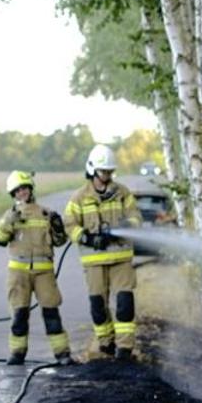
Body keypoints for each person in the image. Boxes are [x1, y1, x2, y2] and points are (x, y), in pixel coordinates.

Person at [65, 144, 143, 360]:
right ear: (92, 170)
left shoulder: (123, 193)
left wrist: (123, 228)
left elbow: (136, 217)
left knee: (125, 303)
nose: (107, 176)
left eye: (109, 172)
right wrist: (88, 237)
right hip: (94, 261)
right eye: (103, 172)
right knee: (98, 305)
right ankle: (106, 343)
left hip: (121, 258)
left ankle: (125, 347)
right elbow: (69, 225)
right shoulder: (79, 197)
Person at [0, 171, 72, 365]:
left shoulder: (46, 213)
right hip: (18, 274)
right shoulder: (10, 215)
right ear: (13, 194)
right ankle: (17, 353)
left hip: (44, 272)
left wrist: (58, 227)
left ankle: (62, 354)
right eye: (18, 190)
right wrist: (9, 222)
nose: (22, 193)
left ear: (30, 189)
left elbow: (59, 241)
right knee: (19, 314)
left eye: (25, 189)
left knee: (51, 312)